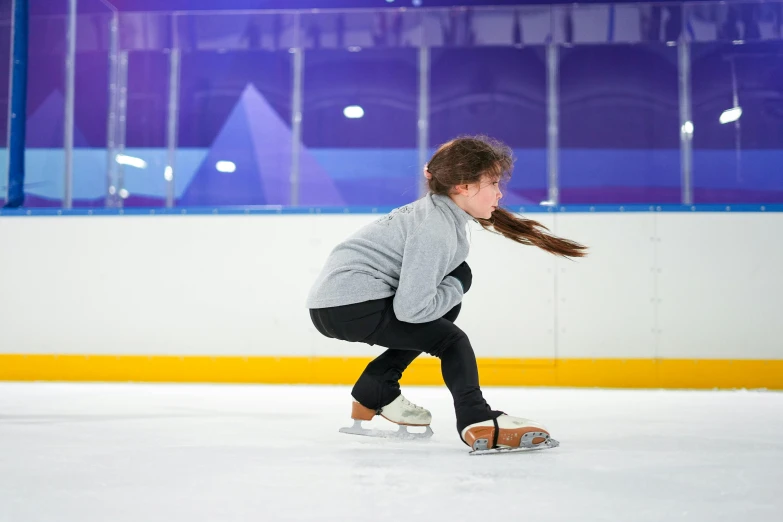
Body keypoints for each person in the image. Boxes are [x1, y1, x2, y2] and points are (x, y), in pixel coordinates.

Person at [307, 135, 587, 452]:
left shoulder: (435, 215)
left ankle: (376, 388)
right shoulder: (435, 227)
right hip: (354, 303)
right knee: (451, 339)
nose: (499, 193)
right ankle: (475, 417)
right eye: (493, 183)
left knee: (442, 317)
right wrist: (457, 284)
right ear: (463, 187)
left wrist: (453, 286)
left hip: (337, 306)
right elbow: (412, 310)